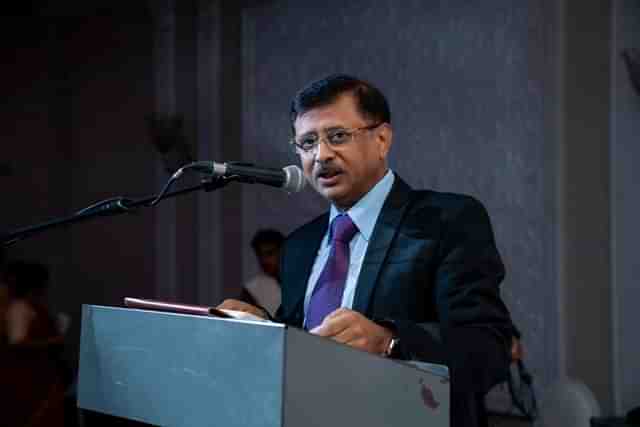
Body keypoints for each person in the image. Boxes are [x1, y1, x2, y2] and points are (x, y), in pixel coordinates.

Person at [219, 74, 513, 427]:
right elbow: (303, 345)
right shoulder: (299, 245)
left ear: (382, 139)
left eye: (337, 136)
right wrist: (260, 330)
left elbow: (488, 349)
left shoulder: (446, 221)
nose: (321, 155)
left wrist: (390, 342)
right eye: (307, 142)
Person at [241, 229, 284, 317]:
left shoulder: (302, 280)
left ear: (283, 251)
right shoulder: (252, 289)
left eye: (270, 253)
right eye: (260, 255)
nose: (264, 260)